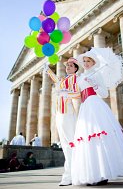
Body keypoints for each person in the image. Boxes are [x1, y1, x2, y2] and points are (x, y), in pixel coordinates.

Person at [70, 50, 123, 186]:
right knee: (87, 138)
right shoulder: (81, 77)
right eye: (84, 61)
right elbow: (78, 94)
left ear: (94, 62)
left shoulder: (97, 75)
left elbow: (104, 94)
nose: (85, 63)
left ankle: (103, 174)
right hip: (85, 107)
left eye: (88, 61)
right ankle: (93, 173)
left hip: (95, 104)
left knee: (99, 137)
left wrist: (95, 84)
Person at [45, 57, 80, 186]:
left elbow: (78, 94)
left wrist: (67, 94)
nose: (68, 67)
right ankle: (70, 174)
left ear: (76, 68)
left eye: (71, 65)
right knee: (65, 145)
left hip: (67, 113)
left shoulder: (75, 78)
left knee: (70, 143)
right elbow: (56, 80)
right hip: (60, 114)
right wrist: (48, 70)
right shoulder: (64, 79)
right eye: (67, 65)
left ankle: (71, 174)